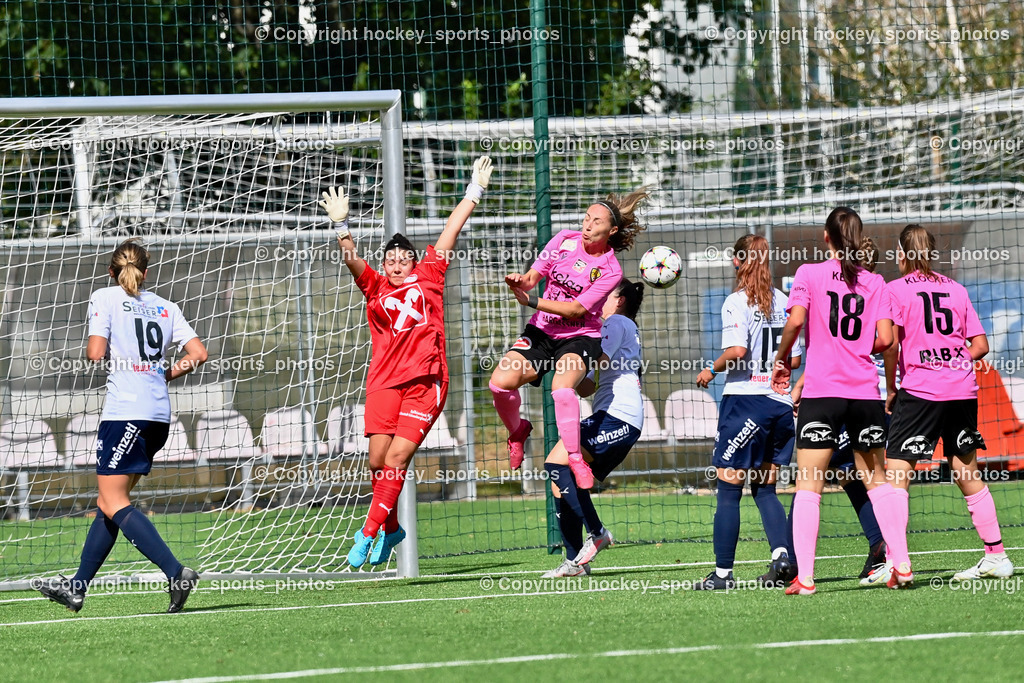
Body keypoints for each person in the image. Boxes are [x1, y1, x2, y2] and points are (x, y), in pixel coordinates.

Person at [326, 157, 493, 568]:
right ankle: (391, 528)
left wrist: (474, 190)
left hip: (426, 381)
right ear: (384, 264)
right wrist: (341, 226)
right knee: (376, 461)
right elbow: (351, 259)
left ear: (415, 262)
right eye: (391, 258)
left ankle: (366, 534)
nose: (397, 262)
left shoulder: (430, 275)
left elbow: (450, 231)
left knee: (398, 459)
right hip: (383, 382)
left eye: (404, 258)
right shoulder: (375, 286)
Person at [38, 239, 208, 613]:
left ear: (111, 272)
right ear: (146, 273)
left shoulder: (105, 296)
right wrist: (164, 371)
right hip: (158, 416)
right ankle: (77, 587)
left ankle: (175, 571)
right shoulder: (167, 307)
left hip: (125, 414)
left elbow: (96, 353)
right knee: (108, 504)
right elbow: (198, 353)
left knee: (113, 500)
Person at [873, 224, 1014, 586]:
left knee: (896, 474)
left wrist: (892, 386)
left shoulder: (894, 290)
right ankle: (996, 556)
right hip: (962, 390)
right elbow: (979, 345)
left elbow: (889, 345)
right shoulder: (956, 289)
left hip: (921, 391)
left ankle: (895, 561)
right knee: (967, 472)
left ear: (902, 256)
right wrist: (952, 359)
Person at [771, 207, 899, 596]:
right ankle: (899, 562)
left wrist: (782, 360)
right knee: (876, 481)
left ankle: (805, 578)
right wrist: (858, 347)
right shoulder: (875, 282)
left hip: (823, 393)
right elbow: (886, 340)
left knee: (808, 484)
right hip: (864, 393)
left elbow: (795, 322)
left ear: (826, 237)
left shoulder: (809, 274)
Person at [489, 190, 648, 489]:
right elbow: (533, 277)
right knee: (499, 383)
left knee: (561, 390)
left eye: (596, 221)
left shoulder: (610, 271)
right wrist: (519, 282)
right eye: (587, 217)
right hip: (542, 332)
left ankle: (575, 457)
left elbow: (576, 309)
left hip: (579, 337)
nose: (588, 224)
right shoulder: (563, 240)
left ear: (611, 230)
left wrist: (532, 302)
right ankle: (517, 431)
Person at [691, 235, 802, 590]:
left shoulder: (736, 302)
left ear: (738, 262)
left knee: (728, 487)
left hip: (746, 402)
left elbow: (737, 350)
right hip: (780, 404)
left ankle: (722, 575)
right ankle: (782, 558)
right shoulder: (784, 302)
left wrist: (712, 369)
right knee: (766, 488)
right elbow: (795, 359)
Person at [542, 279, 646, 578]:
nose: (598, 300)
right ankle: (576, 561)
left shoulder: (615, 322)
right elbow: (588, 385)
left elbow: (599, 359)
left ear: (621, 299)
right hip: (615, 415)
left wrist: (567, 352)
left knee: (555, 463)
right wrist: (567, 368)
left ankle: (598, 532)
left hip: (620, 417)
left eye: (605, 295)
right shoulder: (623, 326)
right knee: (559, 479)